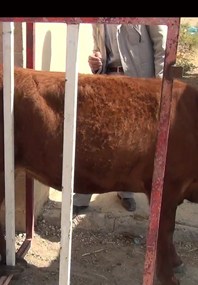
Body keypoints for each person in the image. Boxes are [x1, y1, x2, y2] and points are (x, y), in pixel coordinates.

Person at [73, 23, 167, 215]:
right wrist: (95, 61)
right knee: (97, 141)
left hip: (138, 84)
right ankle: (83, 196)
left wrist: (159, 86)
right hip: (107, 83)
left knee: (131, 142)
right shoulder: (98, 19)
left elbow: (161, 47)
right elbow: (98, 48)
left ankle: (126, 193)